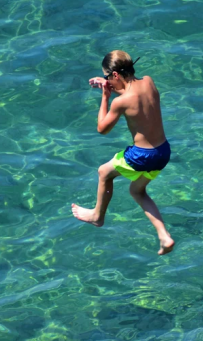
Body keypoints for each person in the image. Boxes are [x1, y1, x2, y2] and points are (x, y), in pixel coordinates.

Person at [71, 50, 175, 255]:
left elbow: (102, 128)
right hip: (163, 152)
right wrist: (109, 84)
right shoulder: (149, 81)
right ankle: (164, 236)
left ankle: (97, 217)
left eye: (109, 77)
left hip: (142, 155)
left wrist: (105, 95)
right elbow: (134, 97)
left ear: (116, 75)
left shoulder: (120, 102)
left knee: (103, 172)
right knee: (137, 191)